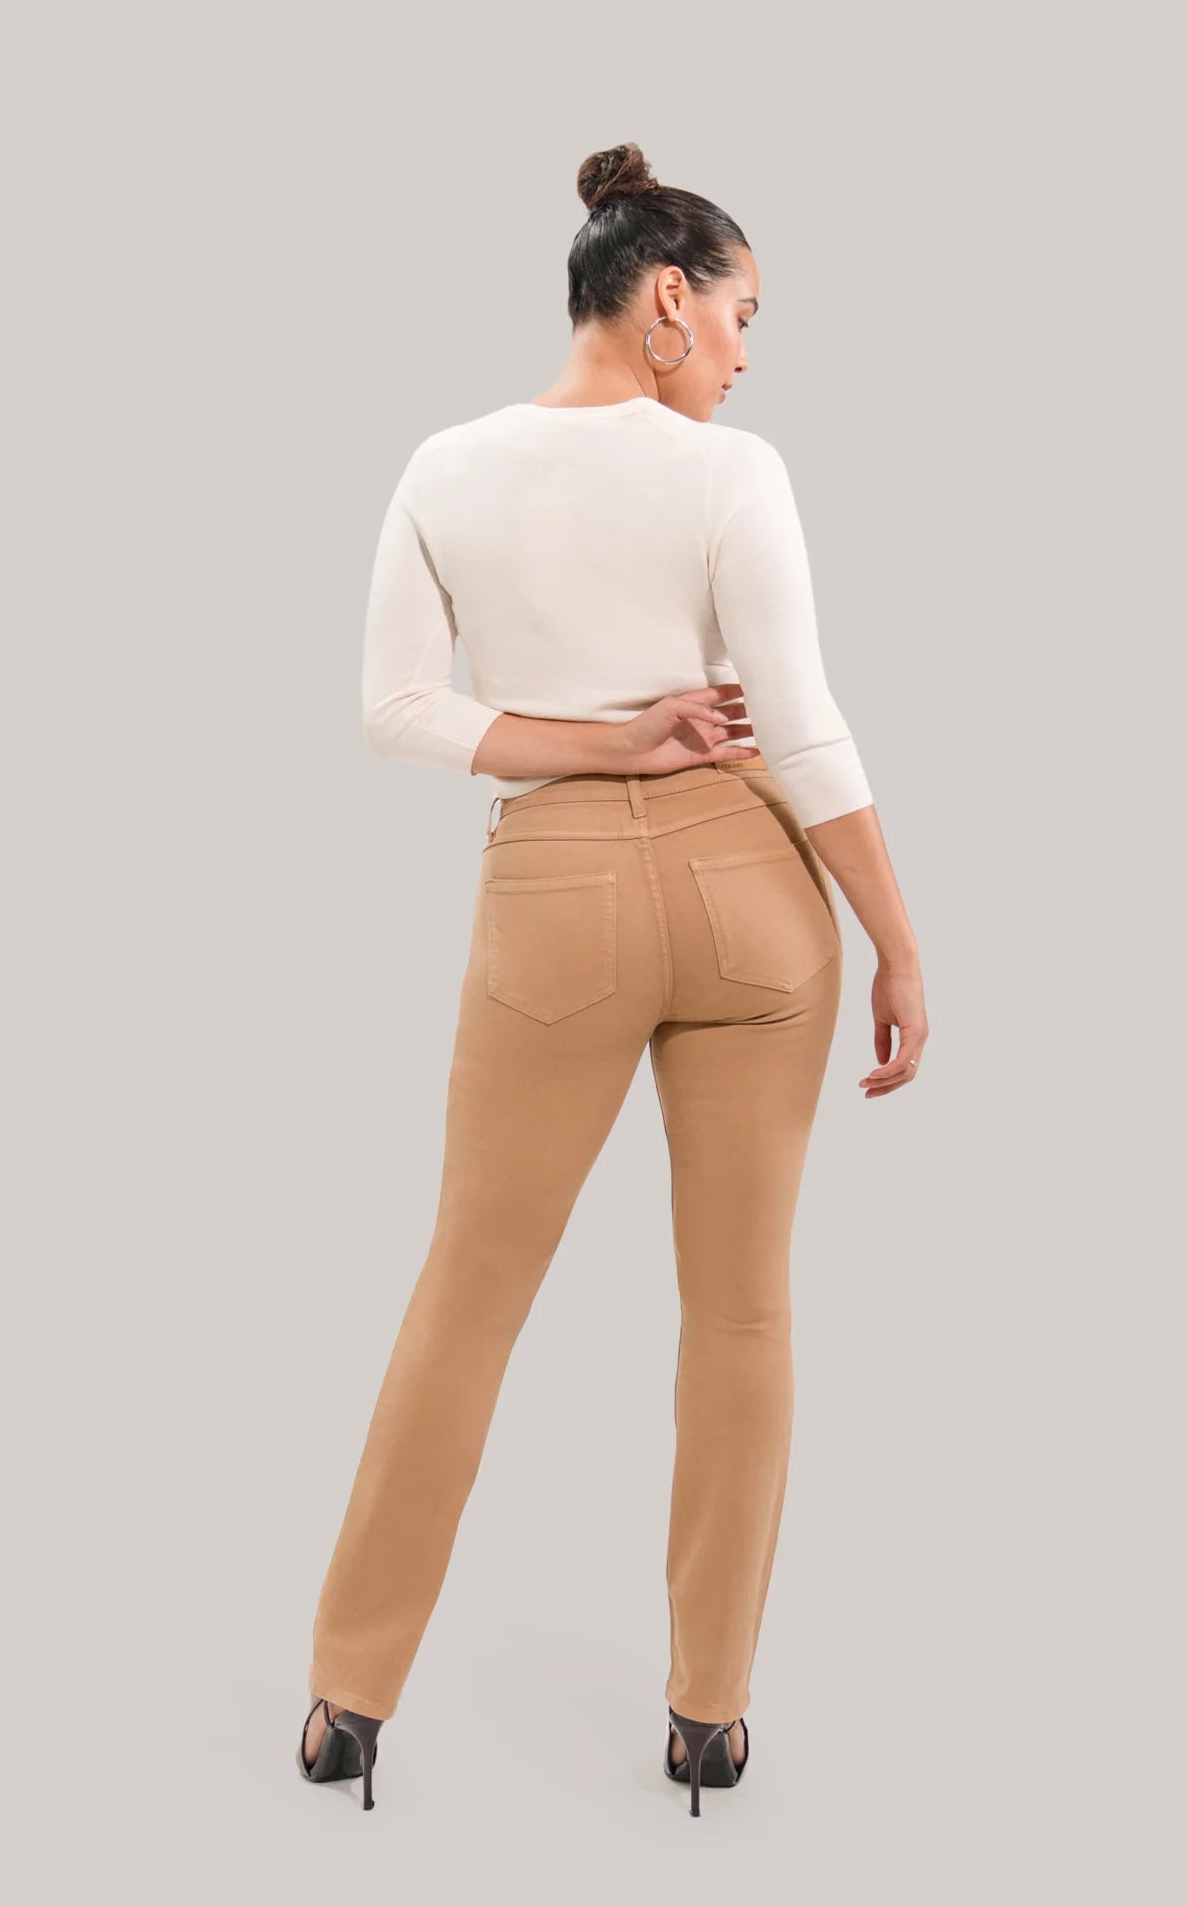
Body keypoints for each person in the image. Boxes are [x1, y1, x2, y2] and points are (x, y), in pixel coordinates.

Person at [297, 141, 928, 1817]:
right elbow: (801, 726)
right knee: (742, 1309)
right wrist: (896, 935)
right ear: (664, 299)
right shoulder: (731, 474)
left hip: (556, 896)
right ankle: (708, 1716)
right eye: (740, 314)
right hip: (751, 893)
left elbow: (395, 711)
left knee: (466, 1293)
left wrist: (596, 744)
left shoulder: (443, 467)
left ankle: (347, 1700)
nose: (744, 354)